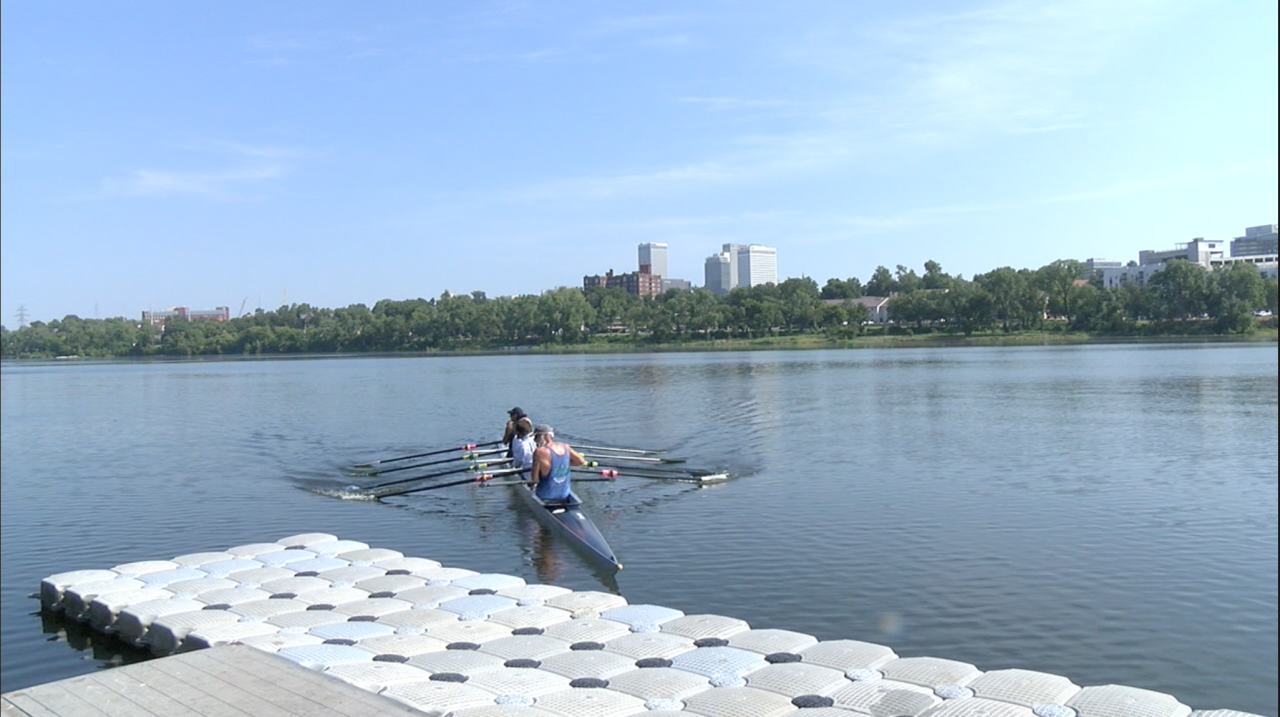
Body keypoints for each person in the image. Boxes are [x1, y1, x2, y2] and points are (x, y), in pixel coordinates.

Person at [528, 424, 586, 502]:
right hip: (564, 495)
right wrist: (563, 464)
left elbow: (534, 479)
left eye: (536, 436)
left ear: (543, 436)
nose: (535, 440)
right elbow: (580, 461)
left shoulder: (539, 452)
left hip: (545, 496)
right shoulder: (565, 446)